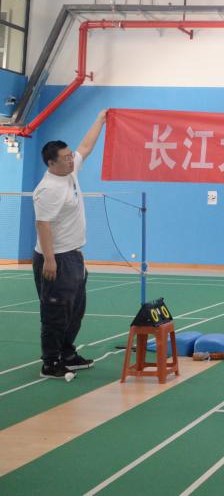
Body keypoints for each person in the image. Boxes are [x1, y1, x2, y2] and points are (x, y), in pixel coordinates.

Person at [32, 109, 107, 379]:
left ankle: (67, 353)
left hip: (74, 256)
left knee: (75, 311)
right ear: (51, 163)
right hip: (56, 258)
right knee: (55, 312)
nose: (70, 160)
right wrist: (50, 260)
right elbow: (43, 225)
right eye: (65, 158)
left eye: (69, 156)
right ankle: (50, 362)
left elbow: (85, 147)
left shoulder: (69, 172)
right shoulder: (49, 189)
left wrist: (100, 119)